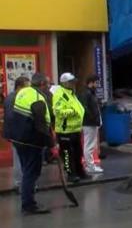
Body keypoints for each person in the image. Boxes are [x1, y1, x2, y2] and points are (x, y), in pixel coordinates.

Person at [7, 74, 55, 214]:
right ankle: (28, 205)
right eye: (47, 84)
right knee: (31, 173)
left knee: (26, 170)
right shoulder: (37, 99)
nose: (49, 87)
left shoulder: (23, 92)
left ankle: (27, 201)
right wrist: (52, 145)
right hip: (31, 142)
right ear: (41, 84)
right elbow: (41, 126)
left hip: (18, 139)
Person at [53, 72, 86, 183]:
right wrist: (72, 112)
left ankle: (79, 171)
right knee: (67, 154)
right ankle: (70, 174)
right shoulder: (60, 94)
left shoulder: (71, 93)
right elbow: (58, 111)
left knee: (78, 152)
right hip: (65, 130)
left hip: (75, 129)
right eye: (71, 82)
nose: (74, 84)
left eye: (74, 81)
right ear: (65, 83)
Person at [3, 76, 30, 190]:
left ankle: (21, 182)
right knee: (20, 159)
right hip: (18, 133)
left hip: (14, 132)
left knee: (19, 158)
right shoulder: (16, 98)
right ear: (19, 86)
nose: (28, 89)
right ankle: (21, 184)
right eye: (26, 86)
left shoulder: (9, 97)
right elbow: (12, 116)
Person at [80, 75, 103, 174]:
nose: (97, 85)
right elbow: (85, 108)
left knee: (90, 145)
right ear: (91, 82)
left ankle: (90, 165)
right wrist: (93, 118)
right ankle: (90, 166)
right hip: (89, 123)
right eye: (96, 83)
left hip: (92, 122)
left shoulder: (90, 93)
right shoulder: (87, 94)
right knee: (89, 145)